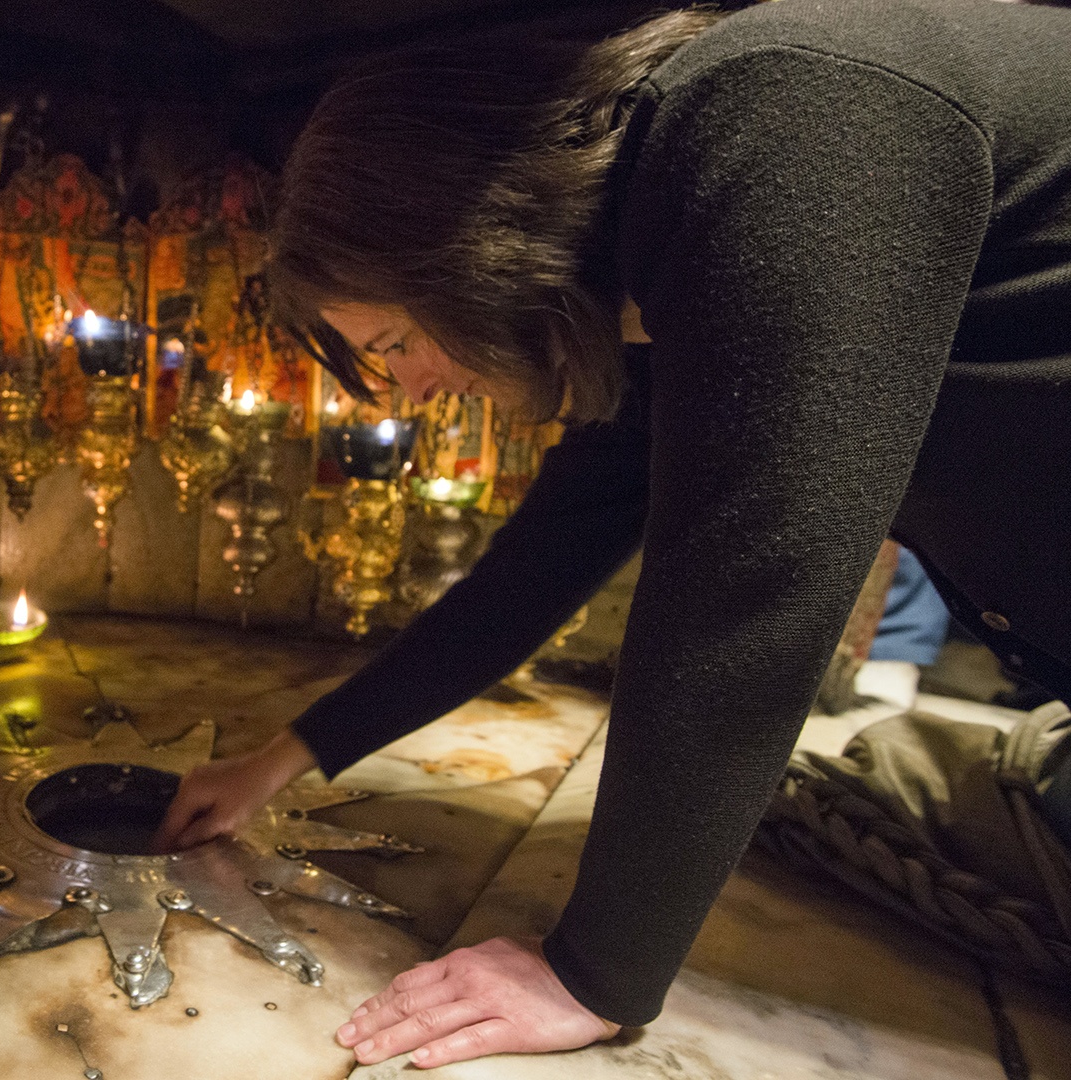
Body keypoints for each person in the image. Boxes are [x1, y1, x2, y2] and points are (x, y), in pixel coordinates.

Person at [150, 0, 1071, 1069]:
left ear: (473, 242)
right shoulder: (663, 267)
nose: (410, 393)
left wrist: (593, 969)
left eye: (398, 340)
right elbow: (548, 555)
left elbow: (752, 582)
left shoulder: (782, 111)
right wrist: (287, 758)